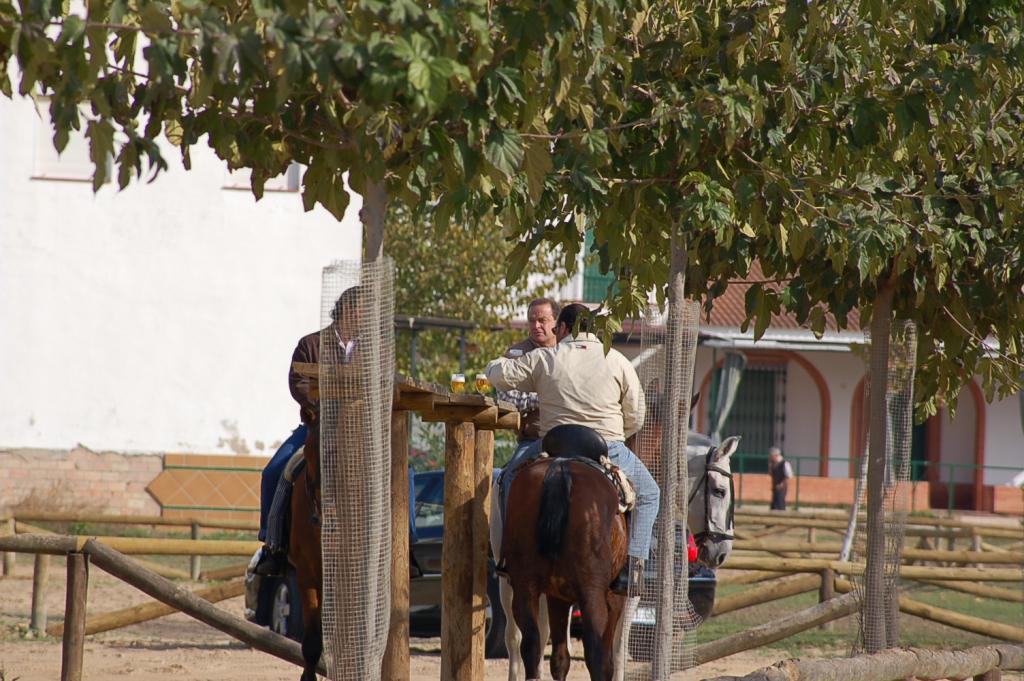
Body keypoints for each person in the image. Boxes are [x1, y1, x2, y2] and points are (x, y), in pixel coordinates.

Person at [485, 303, 659, 594]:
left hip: (554, 445)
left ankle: (508, 555)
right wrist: (618, 436)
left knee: (508, 479)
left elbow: (498, 375)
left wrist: (493, 365)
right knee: (651, 494)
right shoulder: (617, 360)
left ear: (563, 328)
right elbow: (637, 414)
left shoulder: (545, 357)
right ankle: (632, 567)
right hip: (606, 447)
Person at [253, 285, 361, 577]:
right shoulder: (311, 344)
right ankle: (273, 544)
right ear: (348, 310)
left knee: (405, 473)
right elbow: (298, 381)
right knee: (274, 471)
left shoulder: (373, 349)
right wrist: (319, 411)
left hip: (360, 433)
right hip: (319, 425)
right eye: (364, 312)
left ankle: (406, 547)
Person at [495, 297, 559, 519]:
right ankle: (508, 534)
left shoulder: (569, 351)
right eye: (532, 320)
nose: (536, 326)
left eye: (542, 320)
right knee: (509, 478)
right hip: (533, 440)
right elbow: (507, 398)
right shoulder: (516, 354)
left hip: (571, 436)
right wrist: (546, 398)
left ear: (557, 322)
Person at [768, 446, 793, 511]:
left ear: (776, 455)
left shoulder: (785, 463)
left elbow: (789, 475)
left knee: (780, 503)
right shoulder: (772, 464)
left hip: (782, 487)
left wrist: (782, 484)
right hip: (775, 486)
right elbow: (771, 474)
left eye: (771, 456)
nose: (770, 457)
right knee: (774, 504)